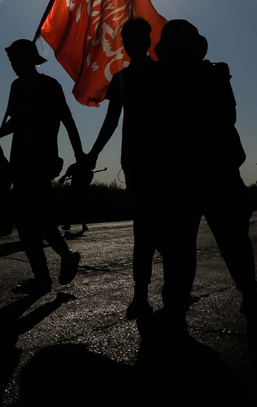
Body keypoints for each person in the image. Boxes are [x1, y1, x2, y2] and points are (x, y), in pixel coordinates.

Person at [153, 20, 257, 322]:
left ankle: (248, 292)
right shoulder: (165, 80)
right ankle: (176, 299)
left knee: (230, 241)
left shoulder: (211, 75)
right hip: (185, 176)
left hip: (214, 172)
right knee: (181, 246)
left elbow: (227, 115)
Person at [0, 39, 84, 295]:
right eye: (11, 61)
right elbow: (17, 121)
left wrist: (80, 154)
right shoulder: (16, 86)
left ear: (29, 59)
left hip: (41, 160)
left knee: (38, 218)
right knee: (27, 221)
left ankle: (61, 261)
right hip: (19, 160)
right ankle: (44, 275)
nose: (13, 65)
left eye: (16, 60)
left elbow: (67, 119)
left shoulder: (49, 85)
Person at [86, 18, 161, 319]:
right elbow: (111, 121)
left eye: (138, 37)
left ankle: (162, 288)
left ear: (147, 40)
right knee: (145, 231)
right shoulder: (121, 79)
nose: (132, 43)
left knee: (153, 230)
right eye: (127, 38)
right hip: (134, 162)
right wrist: (93, 153)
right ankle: (141, 295)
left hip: (163, 161)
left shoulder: (161, 73)